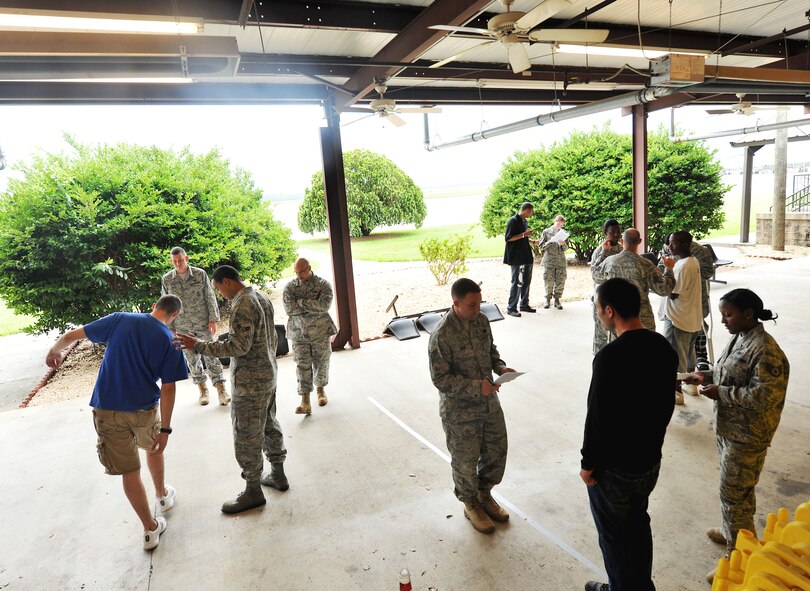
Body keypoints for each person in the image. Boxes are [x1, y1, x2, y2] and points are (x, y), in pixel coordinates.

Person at [45, 295, 188, 550]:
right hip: (144, 409)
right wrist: (165, 428)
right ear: (175, 315)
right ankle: (162, 496)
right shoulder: (170, 341)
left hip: (106, 409)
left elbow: (72, 335)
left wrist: (54, 350)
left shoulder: (120, 319)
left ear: (154, 306)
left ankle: (149, 529)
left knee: (129, 471)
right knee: (154, 447)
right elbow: (168, 388)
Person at [684, 289, 789, 585]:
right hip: (730, 428)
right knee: (735, 492)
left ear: (748, 314)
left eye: (728, 315)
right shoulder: (740, 337)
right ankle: (737, 533)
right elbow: (730, 371)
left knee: (734, 494)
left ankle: (738, 558)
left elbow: (766, 394)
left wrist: (723, 393)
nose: (723, 320)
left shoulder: (766, 349)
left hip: (748, 435)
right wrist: (709, 376)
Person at [581, 278, 677, 591]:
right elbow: (665, 407)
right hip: (649, 462)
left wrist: (588, 463)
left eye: (598, 310)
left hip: (614, 471)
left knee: (614, 538)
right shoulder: (663, 347)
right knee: (637, 523)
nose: (598, 315)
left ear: (610, 311)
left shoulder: (609, 358)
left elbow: (597, 419)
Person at [173, 265, 289, 515]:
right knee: (269, 423)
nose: (220, 294)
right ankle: (278, 474)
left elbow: (238, 347)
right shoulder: (260, 297)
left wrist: (200, 346)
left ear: (227, 281)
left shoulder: (242, 304)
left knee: (246, 434)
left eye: (218, 288)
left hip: (250, 382)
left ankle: (253, 491)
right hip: (268, 375)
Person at [427, 278, 516, 534]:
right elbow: (440, 379)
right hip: (460, 412)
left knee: (496, 452)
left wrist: (500, 367)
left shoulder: (481, 321)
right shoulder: (441, 335)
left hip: (489, 403)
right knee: (465, 462)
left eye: (479, 303)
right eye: (471, 305)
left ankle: (484, 493)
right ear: (456, 303)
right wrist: (477, 387)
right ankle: (470, 504)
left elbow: (491, 350)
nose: (477, 309)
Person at [161, 247, 229, 406]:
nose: (178, 264)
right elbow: (166, 302)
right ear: (171, 261)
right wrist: (169, 325)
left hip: (202, 322)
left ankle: (221, 389)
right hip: (181, 325)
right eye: (175, 261)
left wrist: (213, 319)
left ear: (187, 258)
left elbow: (210, 296)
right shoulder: (167, 279)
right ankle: (203, 390)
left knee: (211, 354)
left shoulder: (200, 274)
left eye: (181, 260)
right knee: (191, 358)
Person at [591, 228, 676, 331]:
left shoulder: (610, 262)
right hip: (641, 320)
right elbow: (664, 289)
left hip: (618, 320)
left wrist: (604, 252)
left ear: (622, 241)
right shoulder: (646, 264)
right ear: (639, 241)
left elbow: (595, 275)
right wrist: (669, 269)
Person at [283, 257, 337, 415]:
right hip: (299, 334)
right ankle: (305, 400)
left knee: (322, 362)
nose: (299, 275)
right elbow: (290, 310)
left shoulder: (323, 285)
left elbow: (324, 306)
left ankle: (320, 391)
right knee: (302, 365)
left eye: (302, 271)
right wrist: (311, 305)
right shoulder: (290, 287)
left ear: (309, 268)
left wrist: (301, 302)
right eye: (296, 272)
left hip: (320, 332)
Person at [663, 231, 703, 406]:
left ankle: (677, 391)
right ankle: (691, 385)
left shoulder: (682, 266)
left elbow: (672, 293)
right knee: (688, 353)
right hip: (691, 316)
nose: (670, 246)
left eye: (674, 243)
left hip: (677, 317)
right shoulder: (692, 262)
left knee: (673, 356)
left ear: (685, 245)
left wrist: (666, 270)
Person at [591, 219, 622, 354]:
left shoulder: (622, 249)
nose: (616, 234)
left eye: (618, 231)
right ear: (605, 233)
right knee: (601, 335)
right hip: (602, 299)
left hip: (618, 299)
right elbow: (596, 275)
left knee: (618, 335)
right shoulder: (599, 251)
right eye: (612, 232)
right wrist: (604, 252)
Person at [503, 202, 539, 317]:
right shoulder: (513, 221)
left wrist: (532, 241)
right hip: (516, 257)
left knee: (526, 281)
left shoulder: (524, 221)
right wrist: (524, 234)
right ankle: (511, 307)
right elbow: (508, 238)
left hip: (526, 255)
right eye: (531, 212)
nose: (531, 214)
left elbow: (523, 237)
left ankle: (524, 304)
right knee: (517, 282)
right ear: (526, 210)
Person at [539, 214, 568, 309]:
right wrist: (550, 241)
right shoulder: (546, 232)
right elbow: (541, 246)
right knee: (548, 281)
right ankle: (547, 300)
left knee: (560, 281)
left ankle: (557, 300)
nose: (560, 226)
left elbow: (566, 248)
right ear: (554, 221)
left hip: (560, 261)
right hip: (549, 261)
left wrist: (563, 244)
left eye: (561, 225)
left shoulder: (563, 233)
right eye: (558, 223)